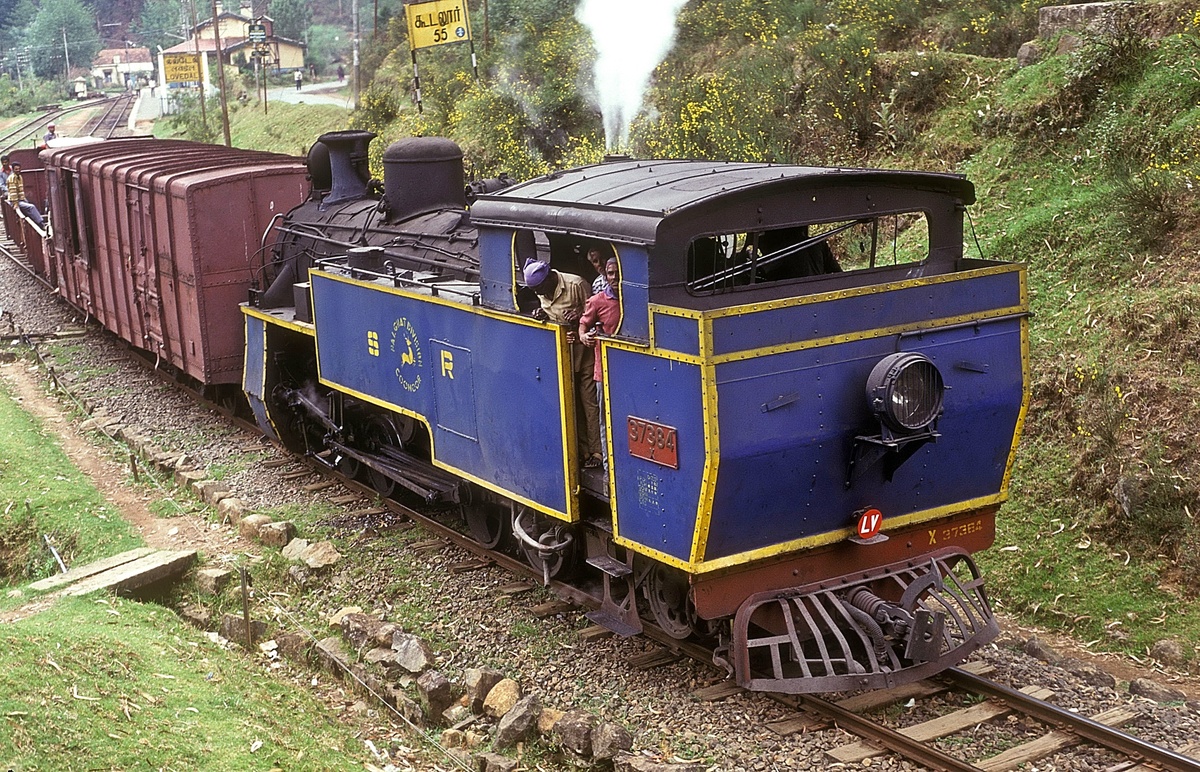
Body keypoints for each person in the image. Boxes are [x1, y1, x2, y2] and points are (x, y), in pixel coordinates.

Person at [523, 258, 603, 469]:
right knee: (569, 403)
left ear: (550, 277)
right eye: (535, 290)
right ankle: (582, 452)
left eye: (540, 288)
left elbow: (597, 312)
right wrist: (542, 316)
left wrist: (578, 317)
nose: (539, 293)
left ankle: (597, 451)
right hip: (560, 356)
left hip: (584, 353)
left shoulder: (576, 285)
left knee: (589, 403)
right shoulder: (541, 292)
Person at [579, 257, 622, 466]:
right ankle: (607, 465)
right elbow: (583, 325)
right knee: (606, 419)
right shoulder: (596, 301)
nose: (614, 278)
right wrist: (583, 336)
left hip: (625, 368)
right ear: (605, 275)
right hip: (603, 369)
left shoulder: (630, 298)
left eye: (617, 273)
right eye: (610, 273)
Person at [6, 161, 45, 228]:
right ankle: (40, 223)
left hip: (20, 199)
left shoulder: (19, 176)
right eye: (16, 169)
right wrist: (15, 203)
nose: (18, 170)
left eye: (19, 169)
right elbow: (13, 192)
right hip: (15, 201)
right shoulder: (12, 178)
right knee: (31, 207)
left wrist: (23, 199)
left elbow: (20, 191)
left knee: (29, 205)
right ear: (12, 169)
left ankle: (36, 222)